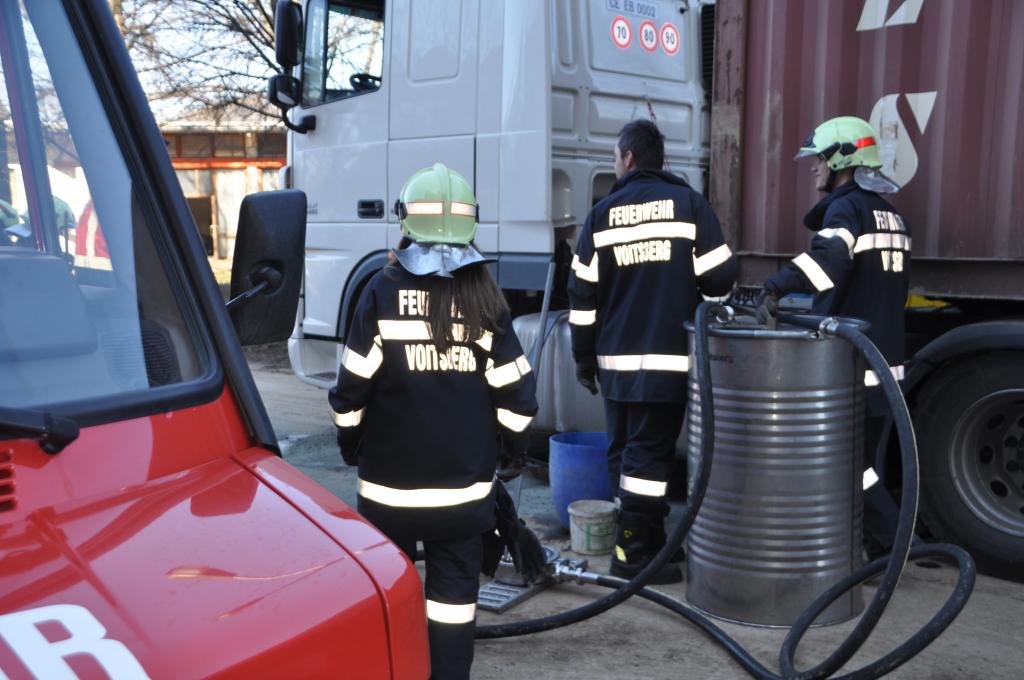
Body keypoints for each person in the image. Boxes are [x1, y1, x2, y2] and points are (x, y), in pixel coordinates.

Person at [329, 163, 538, 680]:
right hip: (462, 502)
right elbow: (518, 397)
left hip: (387, 497)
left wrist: (351, 442)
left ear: (405, 220)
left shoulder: (380, 292)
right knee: (452, 611)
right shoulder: (486, 299)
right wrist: (508, 452)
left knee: (390, 600)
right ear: (471, 224)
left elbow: (350, 391)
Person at [568, 120, 737, 584]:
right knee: (647, 460)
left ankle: (648, 542)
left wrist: (583, 359)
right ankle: (632, 556)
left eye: (614, 157)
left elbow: (581, 299)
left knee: (626, 454)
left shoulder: (600, 215)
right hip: (666, 363)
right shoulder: (689, 205)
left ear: (628, 158)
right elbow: (720, 278)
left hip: (614, 365)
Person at [756, 115, 911, 555]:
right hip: (885, 366)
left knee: (845, 465)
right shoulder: (892, 216)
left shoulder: (847, 209)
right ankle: (875, 551)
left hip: (852, 369)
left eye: (819, 159)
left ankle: (897, 544)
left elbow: (829, 262)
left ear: (841, 160)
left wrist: (776, 286)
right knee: (863, 465)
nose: (813, 167)